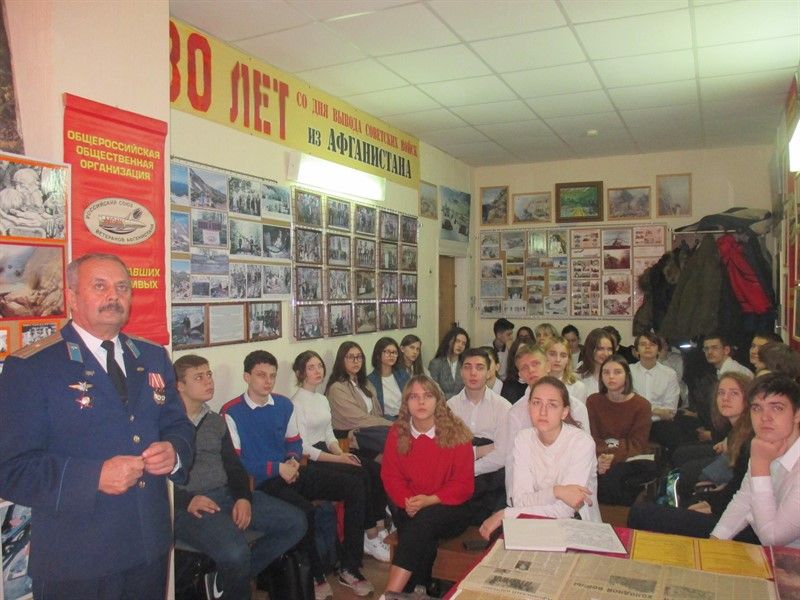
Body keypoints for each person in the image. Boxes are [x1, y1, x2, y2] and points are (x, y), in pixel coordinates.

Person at [0, 253, 194, 598]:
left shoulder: (152, 356)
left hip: (148, 547)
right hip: (77, 559)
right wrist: (93, 478)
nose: (113, 296)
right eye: (100, 286)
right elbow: (10, 468)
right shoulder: (33, 367)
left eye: (122, 287)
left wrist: (175, 452)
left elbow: (178, 424)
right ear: (73, 297)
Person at [222, 350, 375, 599]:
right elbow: (237, 461)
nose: (268, 381)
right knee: (305, 510)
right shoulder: (231, 412)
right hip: (262, 482)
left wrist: (292, 461)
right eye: (261, 375)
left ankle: (349, 566)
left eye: (272, 375)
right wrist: (277, 468)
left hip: (291, 470)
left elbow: (294, 442)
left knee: (354, 485)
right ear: (247, 377)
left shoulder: (283, 404)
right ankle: (314, 575)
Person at [173, 354, 306, 599]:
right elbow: (154, 480)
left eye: (209, 374)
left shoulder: (215, 421)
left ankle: (225, 579)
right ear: (180, 385)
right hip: (190, 506)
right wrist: (186, 500)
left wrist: (243, 497)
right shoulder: (164, 425)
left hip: (226, 495)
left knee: (296, 522)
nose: (209, 381)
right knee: (236, 552)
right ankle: (232, 576)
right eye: (199, 377)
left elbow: (234, 467)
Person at [291, 350, 390, 563]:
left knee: (374, 468)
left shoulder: (321, 399)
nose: (317, 371)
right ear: (300, 373)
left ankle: (378, 525)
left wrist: (341, 453)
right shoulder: (296, 402)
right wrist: (339, 459)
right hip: (312, 460)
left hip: (329, 451)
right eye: (311, 367)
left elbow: (329, 434)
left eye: (319, 366)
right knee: (360, 476)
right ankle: (369, 535)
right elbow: (303, 447)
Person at [628, 374, 755, 541]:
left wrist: (713, 503)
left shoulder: (751, 440)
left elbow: (744, 495)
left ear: (748, 398)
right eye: (721, 393)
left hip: (740, 525)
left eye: (734, 393)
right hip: (727, 508)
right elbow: (736, 487)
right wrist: (712, 500)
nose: (725, 398)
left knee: (641, 513)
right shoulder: (736, 431)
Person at [381, 375, 474, 594]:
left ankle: (391, 594)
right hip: (411, 506)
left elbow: (464, 484)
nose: (421, 402)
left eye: (428, 396)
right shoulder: (397, 432)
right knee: (419, 526)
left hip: (451, 507)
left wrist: (429, 501)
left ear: (438, 400)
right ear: (406, 403)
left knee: (422, 522)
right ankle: (420, 588)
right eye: (414, 397)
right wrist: (409, 501)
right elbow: (390, 475)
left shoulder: (457, 432)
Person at [479, 377, 600, 541]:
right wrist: (557, 491)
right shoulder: (523, 439)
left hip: (577, 528)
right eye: (536, 403)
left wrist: (506, 514)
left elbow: (565, 510)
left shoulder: (581, 443)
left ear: (565, 412)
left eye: (552, 405)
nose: (543, 412)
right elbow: (520, 501)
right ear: (529, 406)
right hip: (533, 523)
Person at [711, 373, 800, 548]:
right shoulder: (767, 446)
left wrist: (760, 466)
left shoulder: (762, 455)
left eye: (777, 408)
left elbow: (772, 539)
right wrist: (714, 542)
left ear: (797, 415)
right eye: (757, 408)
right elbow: (744, 499)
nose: (765, 417)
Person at [477, 345, 552, 499]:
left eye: (536, 364)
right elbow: (507, 455)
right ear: (520, 375)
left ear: (548, 366)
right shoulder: (516, 412)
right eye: (524, 367)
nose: (531, 370)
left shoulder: (574, 406)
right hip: (527, 489)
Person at [447, 348, 510, 523]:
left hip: (491, 471)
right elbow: (446, 449)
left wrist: (471, 468)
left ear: (489, 372)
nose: (473, 373)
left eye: (480, 367)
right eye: (467, 367)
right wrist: (478, 452)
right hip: (458, 467)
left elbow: (502, 453)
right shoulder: (450, 406)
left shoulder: (503, 406)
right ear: (461, 371)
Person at [587, 354, 656, 506]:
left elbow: (638, 444)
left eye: (617, 372)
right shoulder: (593, 401)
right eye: (606, 372)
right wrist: (601, 458)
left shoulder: (642, 405)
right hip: (599, 456)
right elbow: (591, 437)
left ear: (627, 376)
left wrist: (612, 456)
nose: (611, 377)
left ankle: (621, 516)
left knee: (611, 477)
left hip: (632, 458)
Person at [326, 341, 392, 437]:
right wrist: (389, 424)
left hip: (372, 429)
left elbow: (377, 413)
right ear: (341, 360)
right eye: (350, 357)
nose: (356, 361)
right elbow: (359, 419)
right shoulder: (336, 389)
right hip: (350, 436)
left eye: (359, 357)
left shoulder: (365, 383)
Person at [630, 333, 681, 449]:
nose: (648, 347)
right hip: (633, 423)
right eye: (643, 344)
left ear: (659, 350)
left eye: (652, 344)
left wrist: (643, 410)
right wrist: (657, 410)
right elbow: (627, 407)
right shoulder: (628, 371)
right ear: (636, 350)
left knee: (673, 434)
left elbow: (670, 412)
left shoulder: (669, 374)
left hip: (659, 424)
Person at [542, 336, 589, 431]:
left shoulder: (578, 387)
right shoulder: (536, 385)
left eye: (563, 355)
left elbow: (579, 421)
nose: (558, 359)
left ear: (568, 359)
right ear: (544, 356)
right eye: (552, 354)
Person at [367, 337, 410, 419]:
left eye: (395, 352)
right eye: (387, 352)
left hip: (407, 417)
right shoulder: (370, 380)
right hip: (386, 421)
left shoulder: (403, 375)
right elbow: (375, 412)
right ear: (378, 355)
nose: (392, 355)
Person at [428, 326, 470, 397]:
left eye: (463, 344)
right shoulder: (436, 363)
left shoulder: (465, 364)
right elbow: (432, 391)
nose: (460, 345)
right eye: (457, 341)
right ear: (449, 341)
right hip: (442, 402)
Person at [576, 328, 616, 396]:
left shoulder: (616, 373)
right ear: (590, 349)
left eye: (609, 349)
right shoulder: (579, 374)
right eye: (600, 349)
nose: (606, 354)